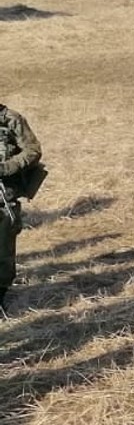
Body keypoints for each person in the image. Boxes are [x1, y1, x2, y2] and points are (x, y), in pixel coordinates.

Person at [0, 100, 43, 315]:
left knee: (3, 257)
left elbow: (33, 150)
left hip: (3, 201)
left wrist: (6, 168)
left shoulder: (12, 120)